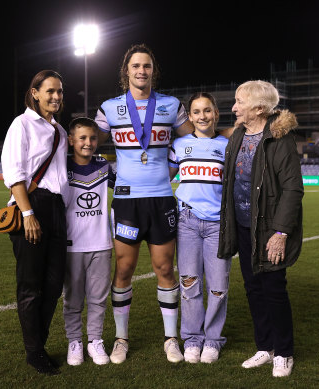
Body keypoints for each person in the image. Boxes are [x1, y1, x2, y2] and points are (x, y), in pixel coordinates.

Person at [94, 43, 194, 364]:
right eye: (136, 66)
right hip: (126, 201)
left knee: (165, 268)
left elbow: (192, 141)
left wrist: (173, 167)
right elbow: (86, 143)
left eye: (147, 66)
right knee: (124, 268)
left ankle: (171, 339)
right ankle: (121, 339)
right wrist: (110, 176)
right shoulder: (109, 108)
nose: (141, 71)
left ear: (154, 71)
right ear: (127, 71)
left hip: (162, 199)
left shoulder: (170, 105)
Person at [217, 80, 304, 378]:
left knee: (274, 291)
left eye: (239, 101)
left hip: (268, 230)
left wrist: (280, 233)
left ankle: (284, 352)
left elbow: (293, 190)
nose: (234, 107)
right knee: (254, 289)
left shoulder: (281, 140)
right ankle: (265, 348)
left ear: (258, 108)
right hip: (242, 227)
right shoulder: (238, 134)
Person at [1, 70, 69, 375]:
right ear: (35, 93)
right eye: (50, 91)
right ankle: (35, 351)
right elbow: (14, 172)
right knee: (31, 285)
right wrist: (28, 214)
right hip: (33, 206)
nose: (56, 97)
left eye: (60, 92)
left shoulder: (61, 132)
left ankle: (37, 342)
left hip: (57, 208)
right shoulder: (22, 124)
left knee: (54, 284)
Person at [168, 92, 231, 364]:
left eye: (207, 110)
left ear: (215, 113)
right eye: (197, 111)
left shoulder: (228, 144)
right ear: (190, 116)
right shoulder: (179, 145)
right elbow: (162, 179)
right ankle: (193, 339)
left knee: (218, 287)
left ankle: (213, 340)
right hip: (187, 223)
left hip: (219, 225)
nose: (202, 116)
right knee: (189, 283)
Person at [63, 117, 114, 366]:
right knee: (72, 299)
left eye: (92, 138)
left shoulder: (105, 166)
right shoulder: (61, 167)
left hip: (101, 244)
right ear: (71, 140)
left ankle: (95, 341)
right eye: (82, 138)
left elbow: (128, 188)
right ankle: (75, 342)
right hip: (72, 245)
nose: (88, 143)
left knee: (98, 298)